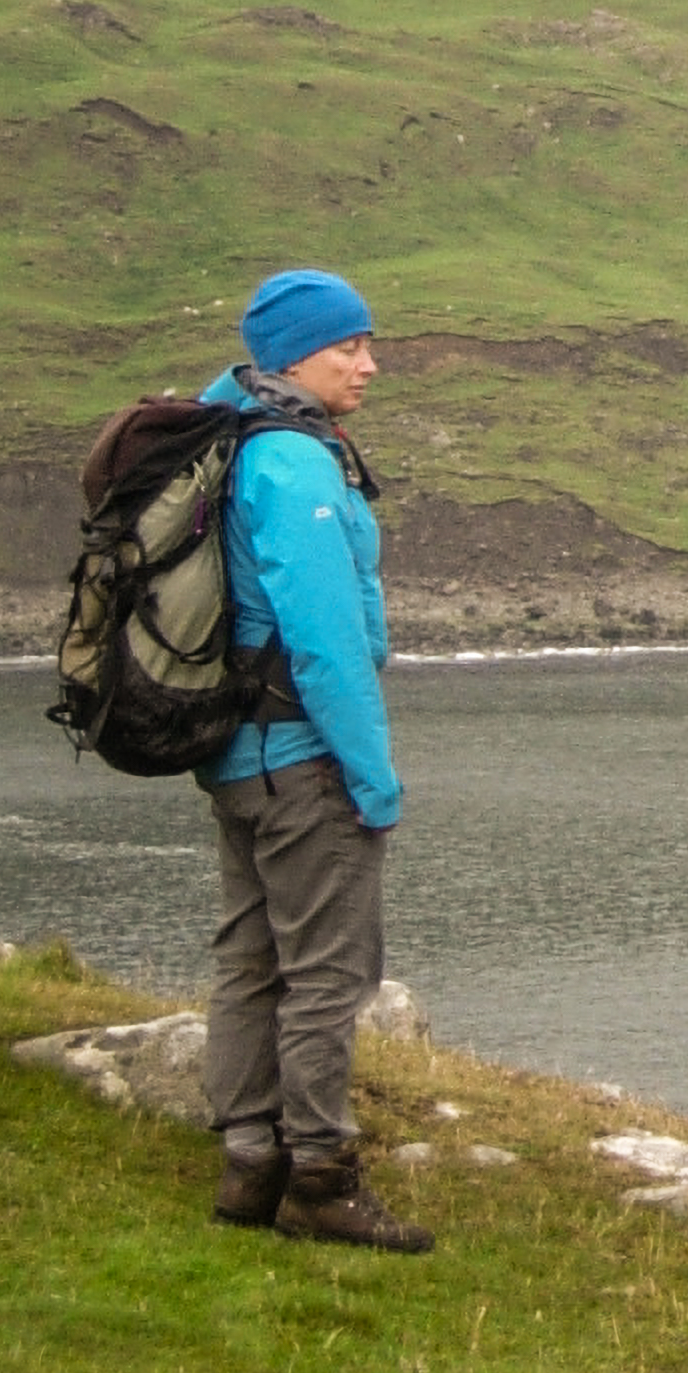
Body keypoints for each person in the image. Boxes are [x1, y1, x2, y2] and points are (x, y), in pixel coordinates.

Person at [196, 267, 430, 1254]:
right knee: (329, 974)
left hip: (237, 762)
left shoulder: (230, 438)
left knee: (249, 961)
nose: (368, 365)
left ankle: (250, 1167)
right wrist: (373, 782)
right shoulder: (292, 466)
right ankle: (321, 1177)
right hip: (302, 765)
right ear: (295, 353)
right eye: (349, 347)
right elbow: (329, 647)